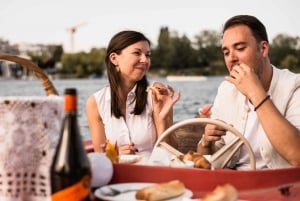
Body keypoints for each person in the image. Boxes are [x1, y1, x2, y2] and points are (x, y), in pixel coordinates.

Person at [197, 15, 300, 169]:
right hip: (234, 183)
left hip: (280, 186)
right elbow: (209, 160)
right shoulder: (226, 89)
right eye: (226, 52)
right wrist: (206, 142)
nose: (231, 58)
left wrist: (255, 92)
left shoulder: (294, 86)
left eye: (240, 48)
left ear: (263, 49)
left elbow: (297, 156)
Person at [86, 30, 180, 157]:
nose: (145, 60)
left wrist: (164, 118)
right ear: (114, 59)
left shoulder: (156, 94)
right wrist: (117, 156)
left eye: (148, 55)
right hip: (118, 174)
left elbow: (171, 154)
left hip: (153, 173)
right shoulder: (95, 103)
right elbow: (101, 157)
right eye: (137, 53)